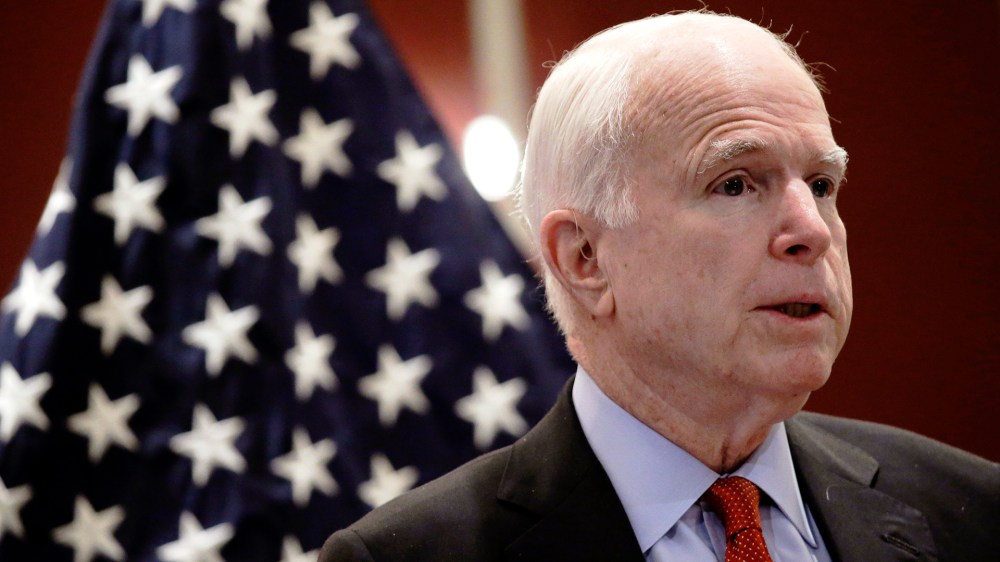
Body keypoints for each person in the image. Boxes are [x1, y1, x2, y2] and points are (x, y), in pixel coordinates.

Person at [320, 11, 999, 561]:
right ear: (585, 257)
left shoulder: (972, 512)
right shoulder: (412, 554)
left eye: (821, 184)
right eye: (735, 183)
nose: (812, 231)